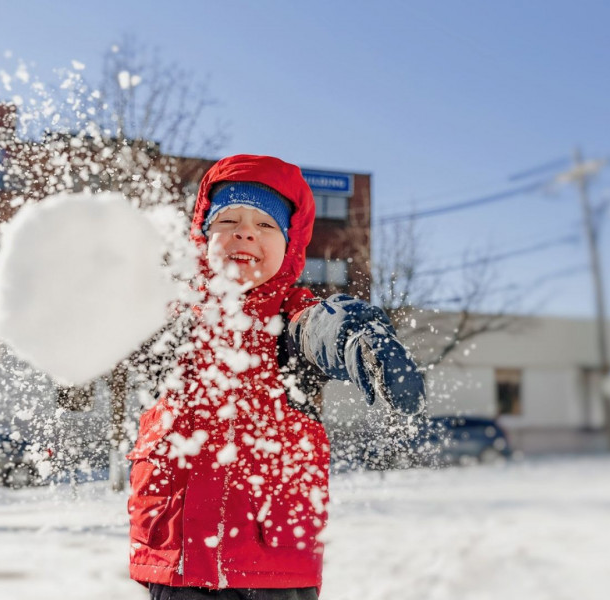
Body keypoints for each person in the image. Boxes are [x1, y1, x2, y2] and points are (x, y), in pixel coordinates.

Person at [127, 154, 426, 600]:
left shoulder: (294, 321)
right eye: (227, 220)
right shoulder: (172, 321)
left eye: (266, 225)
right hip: (179, 564)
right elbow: (106, 343)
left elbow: (326, 327)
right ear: (202, 238)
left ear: (289, 247)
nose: (245, 231)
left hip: (271, 570)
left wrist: (356, 335)